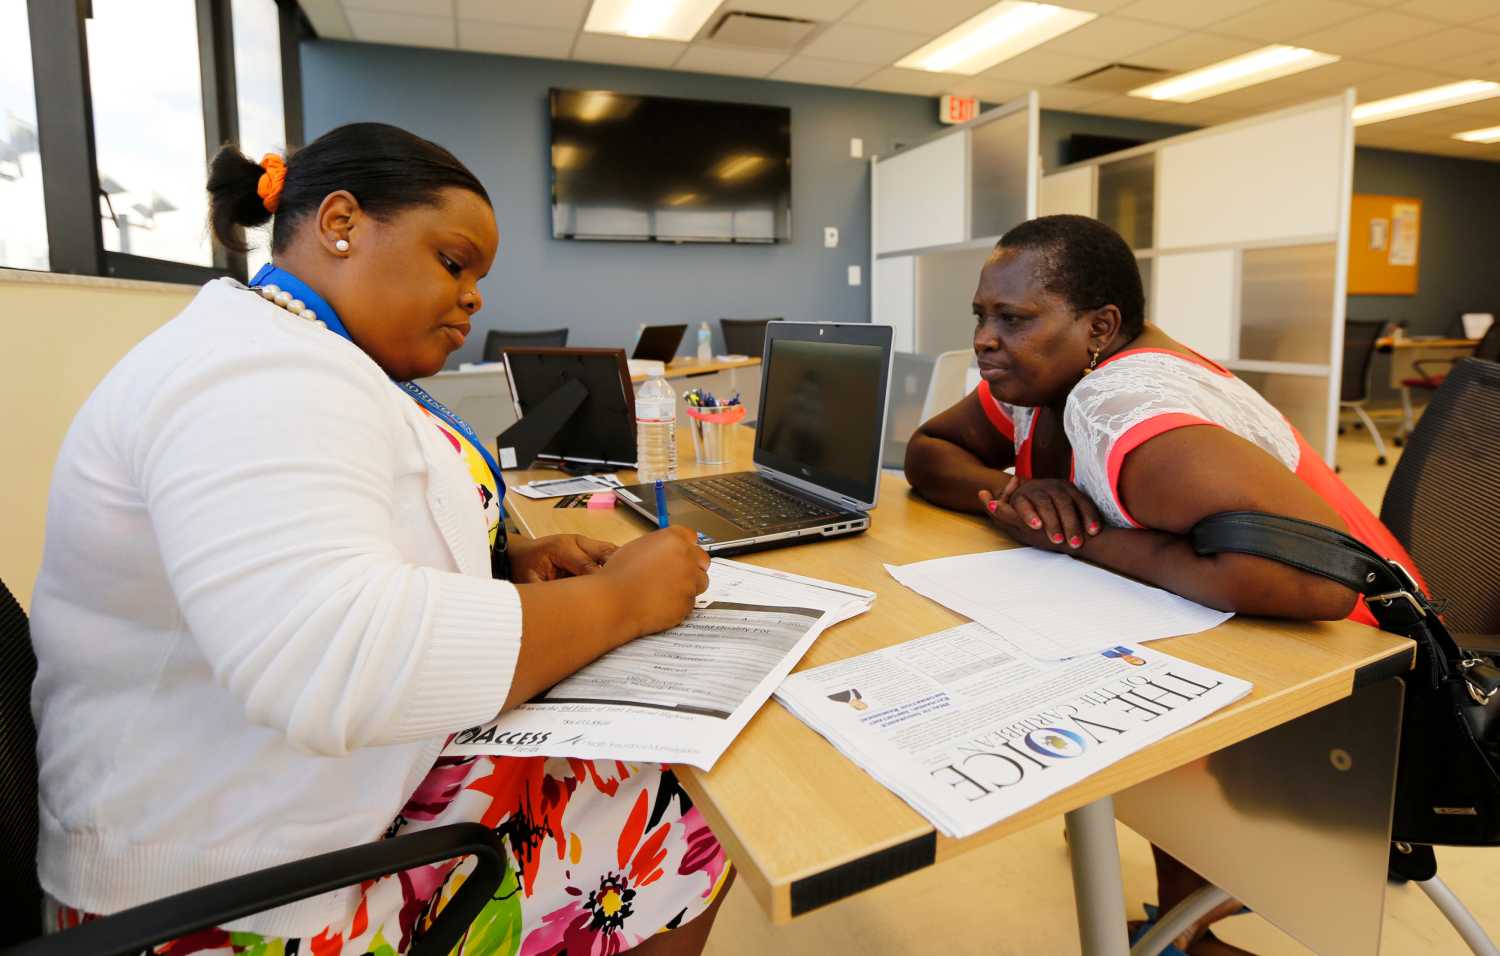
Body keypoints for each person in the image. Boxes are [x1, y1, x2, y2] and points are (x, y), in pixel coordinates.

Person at [31, 123, 730, 955]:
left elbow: (329, 543)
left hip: (282, 811)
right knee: (682, 810)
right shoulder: (251, 372)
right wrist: (620, 601)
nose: (473, 297)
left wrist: (502, 562)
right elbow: (335, 657)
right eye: (454, 262)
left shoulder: (293, 349)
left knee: (650, 759)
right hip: (229, 896)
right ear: (341, 222)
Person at [904, 214, 1423, 956]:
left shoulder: (1123, 410)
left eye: (1013, 318)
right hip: (1283, 638)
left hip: (1368, 679)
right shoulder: (1044, 373)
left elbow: (1318, 584)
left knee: (1120, 668)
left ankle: (1188, 934)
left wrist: (1078, 537)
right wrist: (1014, 491)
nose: (986, 339)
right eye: (982, 316)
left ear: (1100, 326)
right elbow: (931, 450)